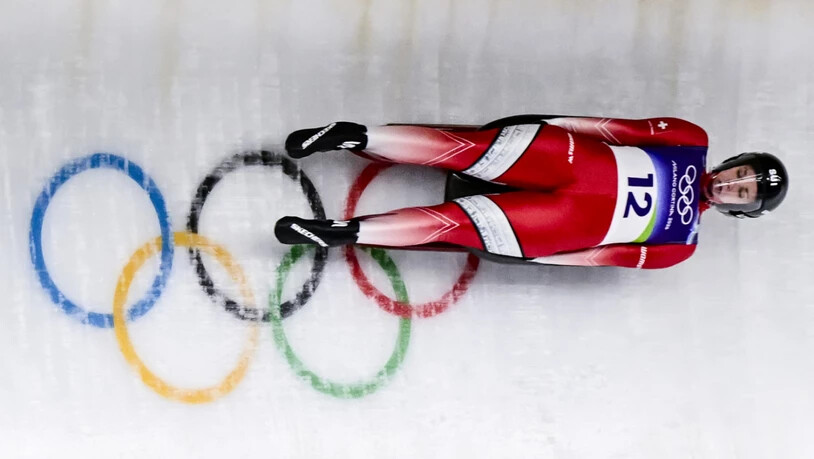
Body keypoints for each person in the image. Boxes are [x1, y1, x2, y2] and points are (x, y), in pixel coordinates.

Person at [274, 115, 789, 268]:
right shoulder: (691, 139)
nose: (732, 185)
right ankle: (356, 136)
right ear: (735, 161)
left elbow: (598, 257)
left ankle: (342, 232)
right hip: (570, 158)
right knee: (466, 149)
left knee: (455, 222)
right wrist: (548, 124)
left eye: (743, 193)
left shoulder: (680, 245)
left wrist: (537, 257)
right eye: (741, 174)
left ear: (739, 209)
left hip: (558, 223)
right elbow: (616, 129)